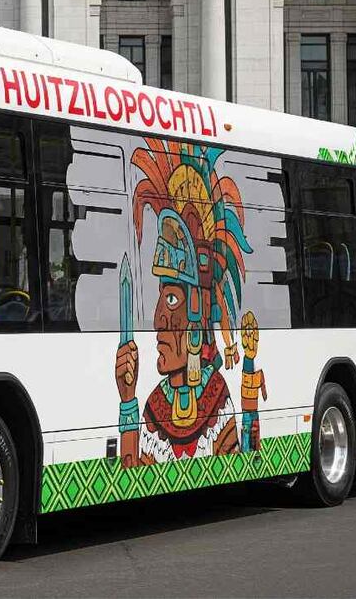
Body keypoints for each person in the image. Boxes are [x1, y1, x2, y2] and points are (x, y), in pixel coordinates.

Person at [113, 141, 267, 467]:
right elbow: (132, 476)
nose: (158, 319)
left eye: (171, 299)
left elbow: (243, 460)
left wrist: (250, 366)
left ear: (197, 309)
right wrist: (128, 400)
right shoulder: (155, 404)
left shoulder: (215, 396)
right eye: (161, 297)